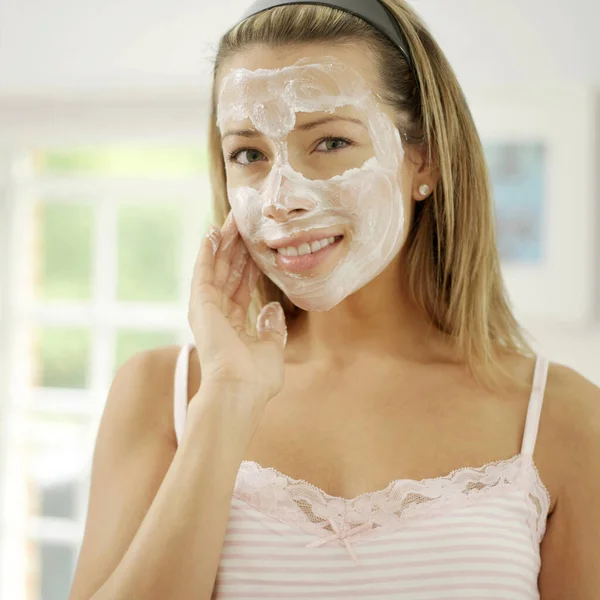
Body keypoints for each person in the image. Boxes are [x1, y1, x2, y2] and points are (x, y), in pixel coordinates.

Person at [69, 1, 600, 599]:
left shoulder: (563, 419)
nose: (280, 198)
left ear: (422, 157)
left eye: (329, 142)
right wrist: (227, 400)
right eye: (249, 154)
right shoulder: (163, 394)